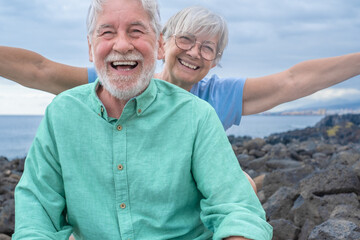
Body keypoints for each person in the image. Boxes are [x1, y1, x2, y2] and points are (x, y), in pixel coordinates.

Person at [12, 0, 273, 239]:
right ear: (91, 47)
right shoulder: (62, 114)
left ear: (159, 44)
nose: (123, 45)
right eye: (107, 32)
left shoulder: (197, 115)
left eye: (136, 31)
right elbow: (37, 217)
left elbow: (237, 209)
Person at [0, 6, 359, 130]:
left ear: (215, 60)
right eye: (185, 40)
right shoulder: (119, 79)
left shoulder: (218, 96)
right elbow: (40, 69)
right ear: (162, 43)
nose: (194, 53)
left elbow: (294, 80)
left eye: (208, 48)